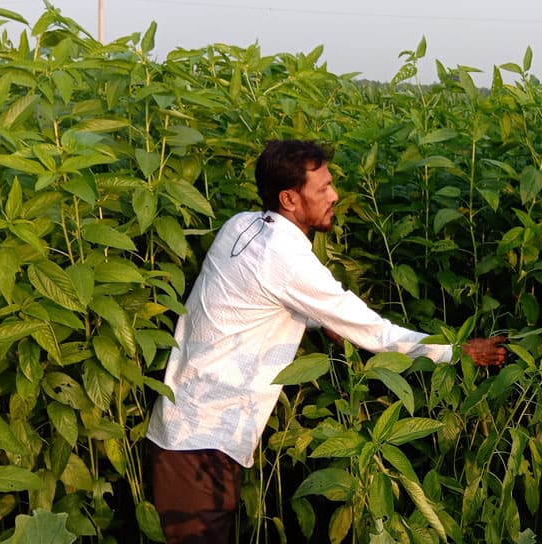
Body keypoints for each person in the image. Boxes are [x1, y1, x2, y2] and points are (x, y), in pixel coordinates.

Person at [146, 139, 507, 543]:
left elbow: (261, 297)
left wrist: (327, 321)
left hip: (187, 430)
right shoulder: (286, 258)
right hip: (201, 444)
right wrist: (456, 351)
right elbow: (376, 333)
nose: (335, 196)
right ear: (289, 199)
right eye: (322, 189)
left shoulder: (242, 225)